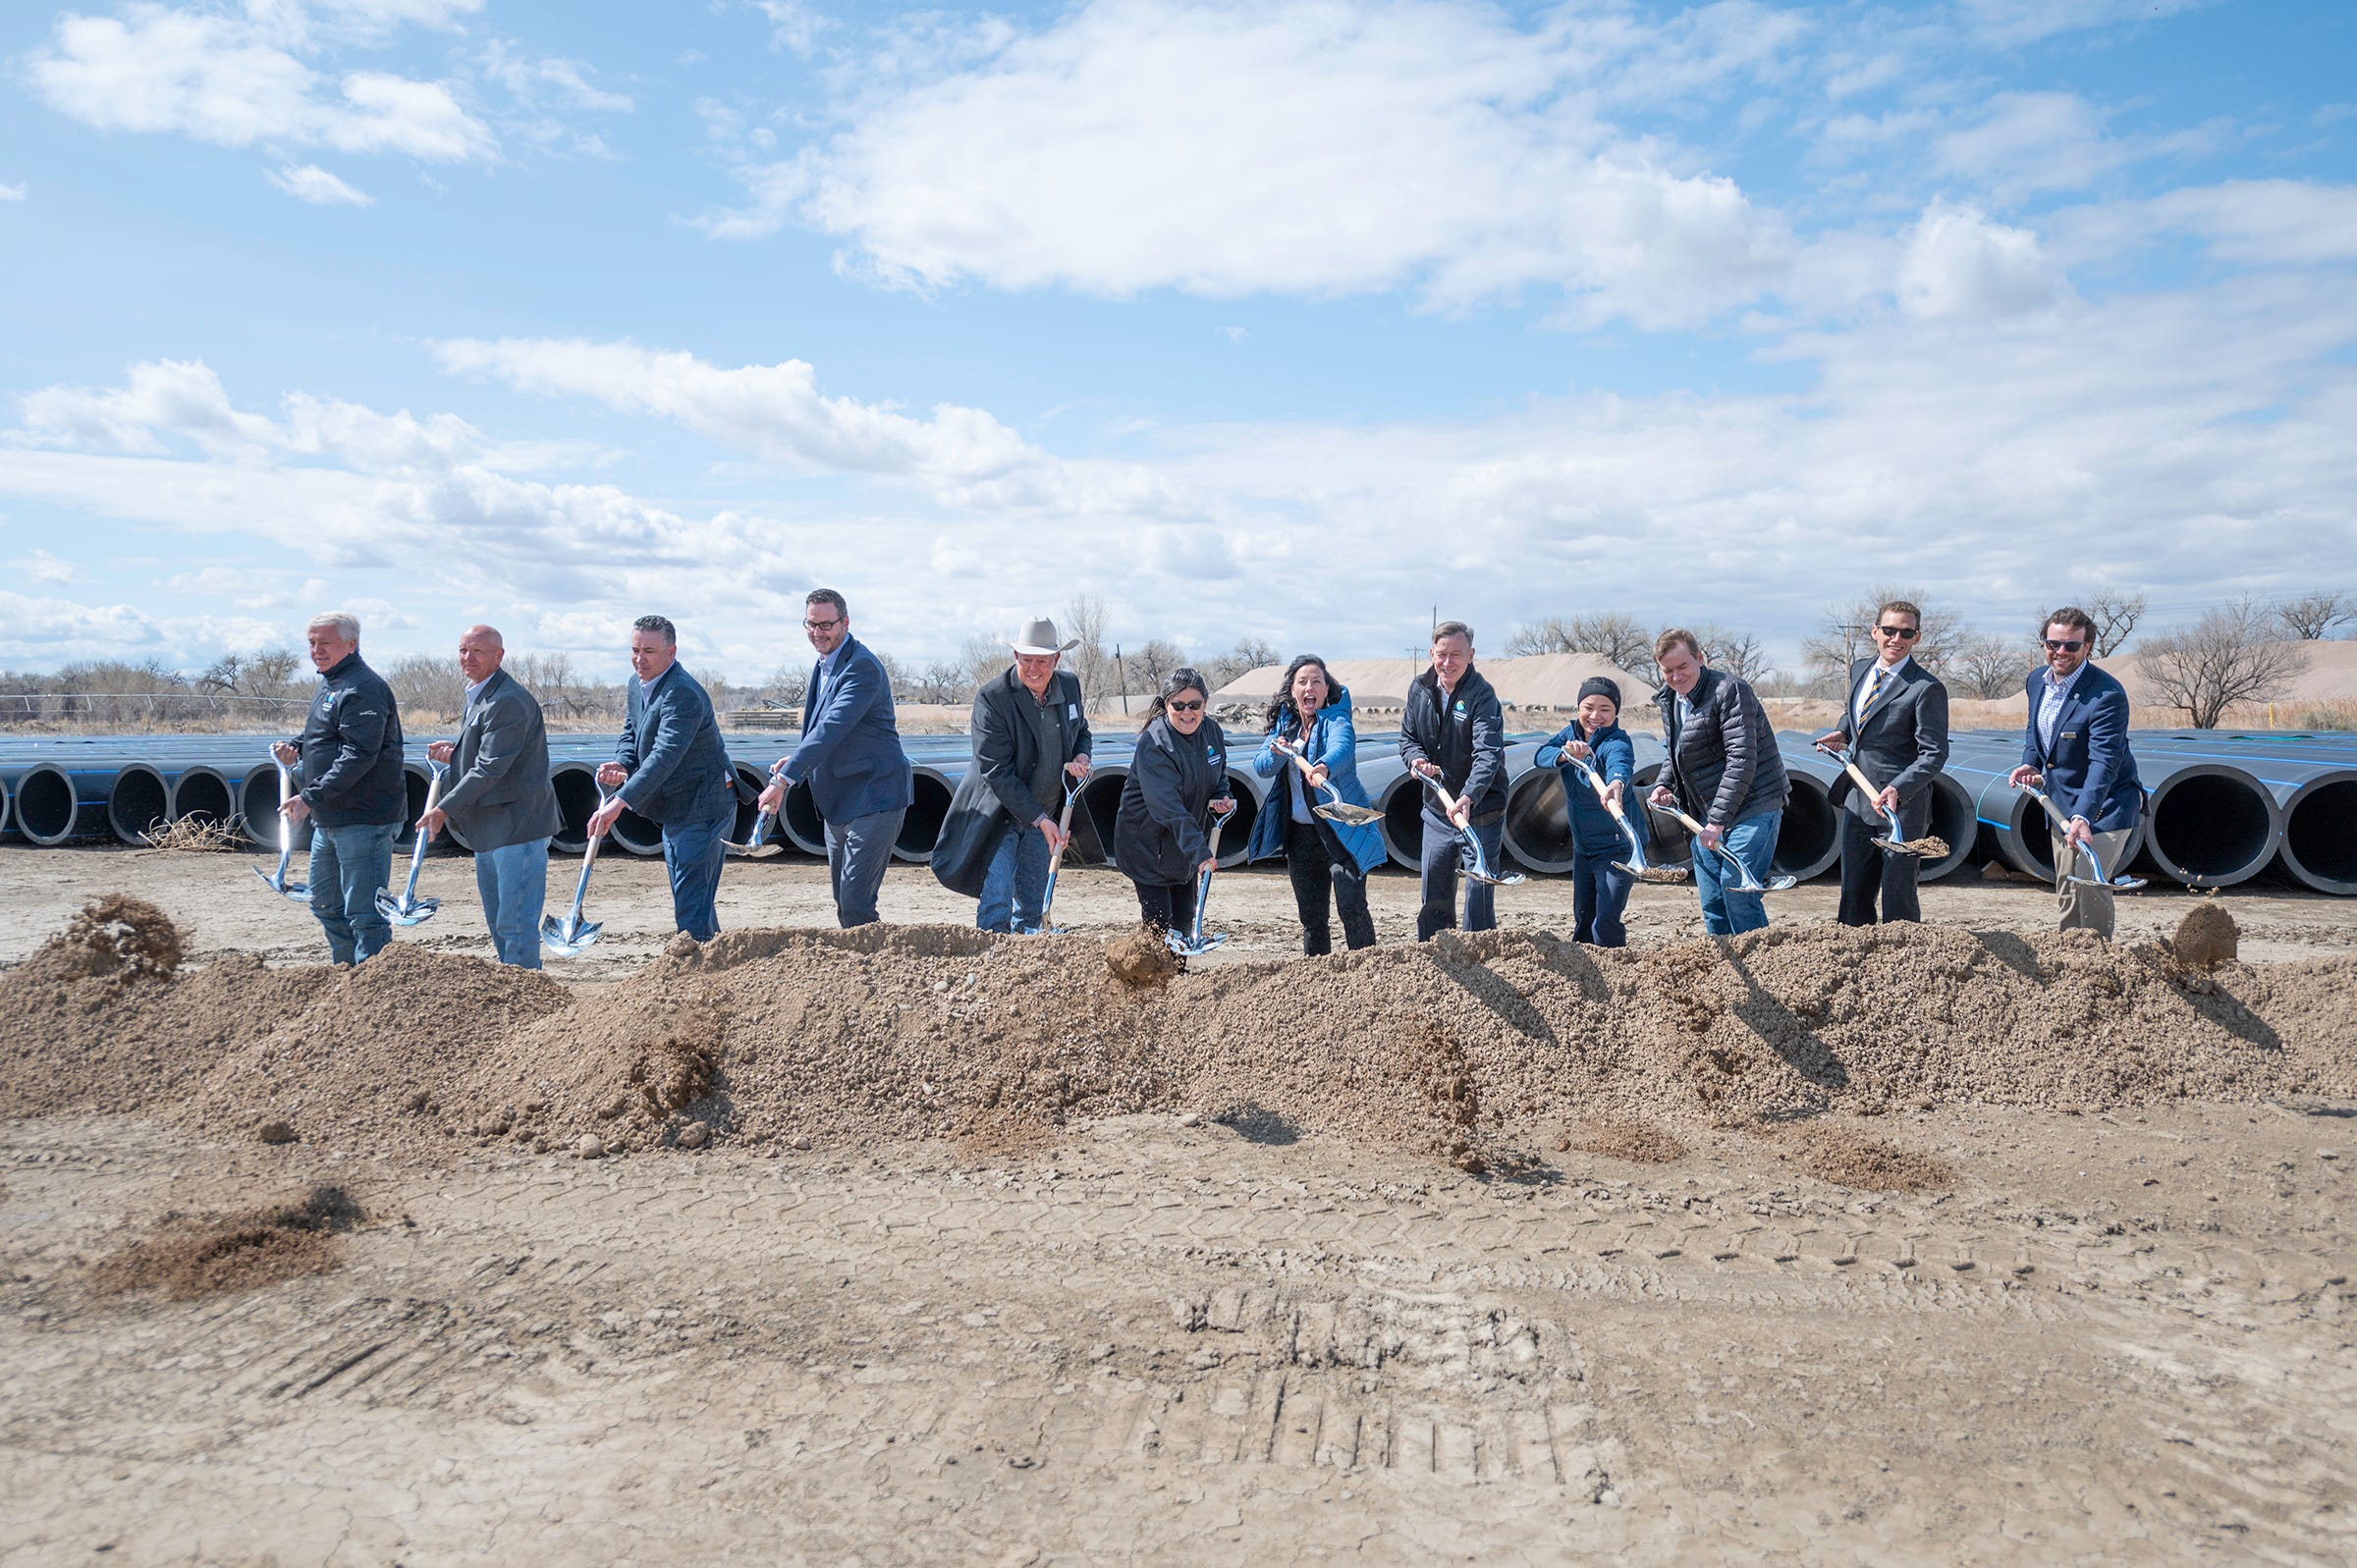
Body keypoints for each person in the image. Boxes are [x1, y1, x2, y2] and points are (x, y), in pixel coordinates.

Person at [756, 589, 913, 928]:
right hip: (840, 801)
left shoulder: (862, 667)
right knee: (844, 901)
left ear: (845, 622)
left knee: (857, 903)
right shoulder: (825, 663)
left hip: (875, 795)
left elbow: (833, 726)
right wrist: (795, 757)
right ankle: (858, 972)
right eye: (811, 624)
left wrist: (784, 779)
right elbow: (824, 730)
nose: (818, 632)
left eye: (826, 624)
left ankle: (878, 972)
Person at [929, 618, 1094, 933]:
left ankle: (1025, 968)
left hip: (1045, 810)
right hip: (999, 816)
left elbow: (1081, 730)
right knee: (997, 897)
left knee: (1032, 903)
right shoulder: (994, 698)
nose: (1033, 668)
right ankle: (992, 966)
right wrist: (1042, 820)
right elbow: (996, 770)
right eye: (1026, 659)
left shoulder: (1069, 686)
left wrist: (1081, 755)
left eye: (1041, 661)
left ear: (1056, 659)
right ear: (1015, 656)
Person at [420, 625, 561, 967]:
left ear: (499, 656)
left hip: (517, 829)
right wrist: (456, 755)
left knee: (515, 925)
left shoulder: (507, 700)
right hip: (492, 829)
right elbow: (493, 754)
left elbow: (491, 768)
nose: (468, 658)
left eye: (478, 652)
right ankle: (514, 996)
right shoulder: (483, 695)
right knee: (501, 924)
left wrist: (442, 809)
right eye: (463, 651)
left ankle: (529, 1002)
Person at [272, 611, 407, 965]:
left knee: (366, 915)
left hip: (364, 819)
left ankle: (370, 994)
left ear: (351, 644)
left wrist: (309, 798)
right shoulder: (331, 683)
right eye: (312, 642)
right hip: (331, 818)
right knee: (326, 905)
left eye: (324, 642)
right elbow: (326, 734)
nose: (316, 650)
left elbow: (359, 754)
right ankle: (345, 982)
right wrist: (297, 746)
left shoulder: (363, 688)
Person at [591, 615, 734, 942]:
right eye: (635, 650)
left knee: (690, 903)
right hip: (676, 806)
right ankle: (714, 962)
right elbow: (632, 732)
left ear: (671, 652)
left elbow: (665, 754)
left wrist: (620, 801)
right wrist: (621, 763)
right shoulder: (637, 684)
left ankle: (695, 971)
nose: (640, 659)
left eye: (649, 651)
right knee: (693, 899)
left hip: (704, 805)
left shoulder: (682, 693)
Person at [2007, 606, 2144, 940]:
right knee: (2067, 888)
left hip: (2106, 805)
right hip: (2062, 804)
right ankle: (2069, 959)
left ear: (2087, 647)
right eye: (2054, 643)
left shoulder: (2106, 695)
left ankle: (2097, 962)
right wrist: (2032, 763)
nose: (2061, 652)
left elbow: (2104, 762)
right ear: (2044, 643)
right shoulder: (2036, 682)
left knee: (2089, 883)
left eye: (2071, 645)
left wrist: (2085, 813)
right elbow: (2035, 731)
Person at [1813, 600, 1950, 928]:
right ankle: (1855, 958)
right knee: (1854, 894)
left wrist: (1898, 789)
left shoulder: (1926, 688)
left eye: (1906, 632)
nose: (1896, 638)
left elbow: (1934, 754)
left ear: (1916, 637)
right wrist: (1843, 732)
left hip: (1900, 810)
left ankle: (1902, 962)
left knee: (1897, 895)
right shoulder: (1860, 669)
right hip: (1859, 799)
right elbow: (1856, 713)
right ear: (1875, 632)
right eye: (1889, 630)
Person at [1649, 627, 1788, 937]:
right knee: (1712, 899)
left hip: (1754, 805)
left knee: (1736, 888)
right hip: (1706, 812)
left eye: (1682, 667)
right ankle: (1725, 968)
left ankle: (1761, 962)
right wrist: (1664, 784)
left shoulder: (1730, 691)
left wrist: (1717, 821)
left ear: (1700, 658)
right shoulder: (1671, 699)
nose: (1676, 676)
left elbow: (1742, 760)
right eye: (1668, 671)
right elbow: (1676, 752)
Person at [1246, 654, 1383, 955]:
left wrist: (1321, 767)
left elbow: (1342, 748)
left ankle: (1368, 976)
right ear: (1292, 690)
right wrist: (1279, 752)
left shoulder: (1337, 719)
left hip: (1341, 832)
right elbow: (1262, 766)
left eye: (1316, 682)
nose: (1310, 688)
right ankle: (1318, 979)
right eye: (1302, 682)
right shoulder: (1284, 725)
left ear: (1325, 689)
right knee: (1312, 918)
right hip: (1301, 838)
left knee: (1352, 908)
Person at [1399, 621, 1507, 942]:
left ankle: (1478, 956)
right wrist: (1416, 760)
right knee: (1434, 890)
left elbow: (1488, 753)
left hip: (1481, 810)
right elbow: (1407, 738)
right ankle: (1434, 954)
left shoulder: (1482, 696)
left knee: (1479, 892)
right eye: (1442, 654)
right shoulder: (1419, 689)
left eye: (1456, 655)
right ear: (1432, 653)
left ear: (1470, 655)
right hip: (1437, 808)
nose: (1448, 662)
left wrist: (1469, 796)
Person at [1114, 668, 1235, 937]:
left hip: (1184, 848)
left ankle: (1179, 977)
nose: (1187, 712)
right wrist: (1201, 852)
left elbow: (1218, 775)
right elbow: (1167, 808)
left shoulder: (1212, 733)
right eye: (1178, 705)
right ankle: (1150, 975)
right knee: (1160, 927)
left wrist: (1220, 796)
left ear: (1205, 702)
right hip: (1148, 847)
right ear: (1166, 704)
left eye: (1195, 705)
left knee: (1183, 922)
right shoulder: (1155, 744)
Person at [1535, 676, 1647, 947]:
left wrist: (1616, 783)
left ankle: (1615, 968)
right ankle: (1584, 973)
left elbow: (1621, 765)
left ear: (1616, 712)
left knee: (1605, 919)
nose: (1595, 715)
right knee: (1584, 917)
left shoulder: (1617, 741)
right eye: (1588, 707)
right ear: (1579, 708)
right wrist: (1564, 754)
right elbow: (1541, 756)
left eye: (1605, 709)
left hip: (1617, 848)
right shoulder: (1569, 734)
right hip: (1583, 849)